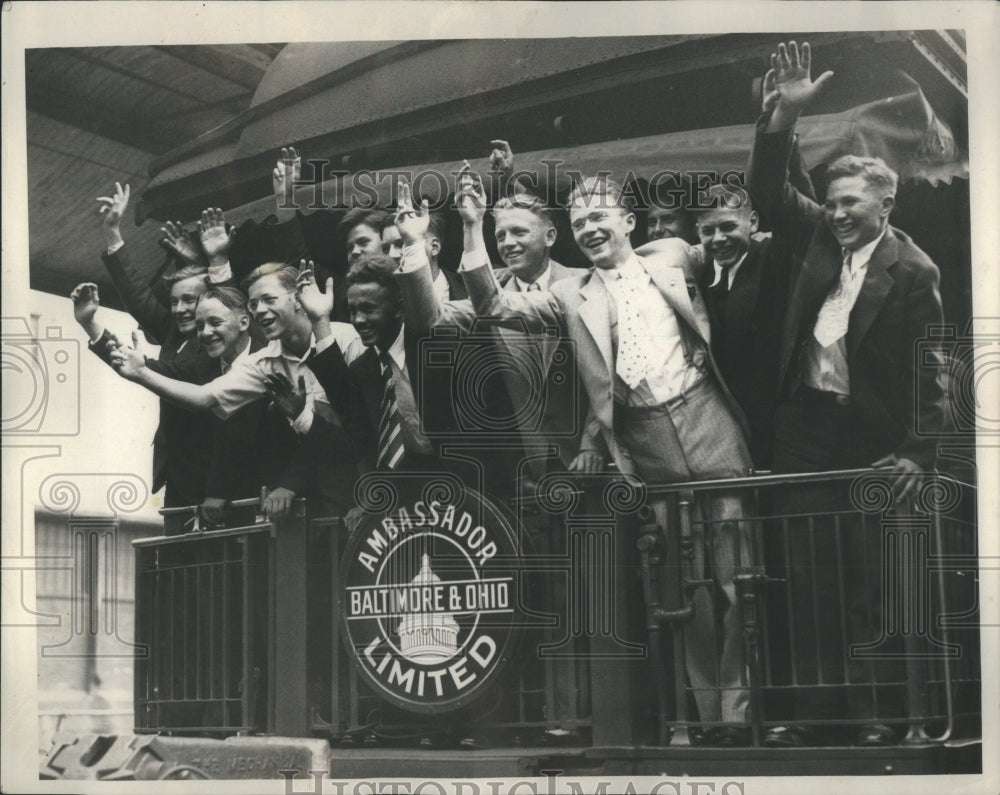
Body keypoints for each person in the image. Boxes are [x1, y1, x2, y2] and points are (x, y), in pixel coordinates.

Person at [424, 168, 755, 746]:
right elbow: (495, 308)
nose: (590, 229)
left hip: (709, 419)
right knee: (685, 589)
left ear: (628, 221)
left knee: (738, 578)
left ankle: (745, 712)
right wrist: (472, 230)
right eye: (580, 223)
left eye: (600, 216)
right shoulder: (569, 295)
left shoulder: (675, 253)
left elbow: (745, 244)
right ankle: (708, 721)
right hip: (644, 439)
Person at [748, 41, 947, 747]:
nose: (836, 214)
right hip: (803, 428)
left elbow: (932, 369)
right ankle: (807, 712)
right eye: (831, 202)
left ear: (886, 203)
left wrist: (918, 451)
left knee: (863, 579)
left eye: (851, 204)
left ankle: (869, 713)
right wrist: (782, 122)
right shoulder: (816, 239)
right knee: (805, 576)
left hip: (867, 437)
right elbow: (769, 192)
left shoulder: (914, 270)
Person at [110, 262, 366, 518]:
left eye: (268, 299)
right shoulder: (264, 363)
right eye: (254, 304)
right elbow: (203, 397)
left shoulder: (349, 341)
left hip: (368, 489)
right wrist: (142, 375)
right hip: (317, 499)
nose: (260, 310)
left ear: (298, 299)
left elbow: (368, 426)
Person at [77, 183, 237, 514]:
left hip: (218, 481)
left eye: (189, 301)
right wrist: (112, 233)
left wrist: (217, 259)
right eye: (174, 301)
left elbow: (178, 370)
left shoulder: (216, 341)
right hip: (177, 476)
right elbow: (137, 296)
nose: (178, 309)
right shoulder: (173, 332)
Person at [691, 183, 790, 469]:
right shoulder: (698, 274)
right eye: (708, 231)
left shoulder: (773, 258)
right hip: (725, 431)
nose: (718, 239)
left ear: (753, 222)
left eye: (728, 227)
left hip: (775, 427)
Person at [380, 211, 467, 300]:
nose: (391, 255)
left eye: (401, 244)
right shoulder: (384, 299)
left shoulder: (468, 290)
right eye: (386, 249)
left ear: (434, 247)